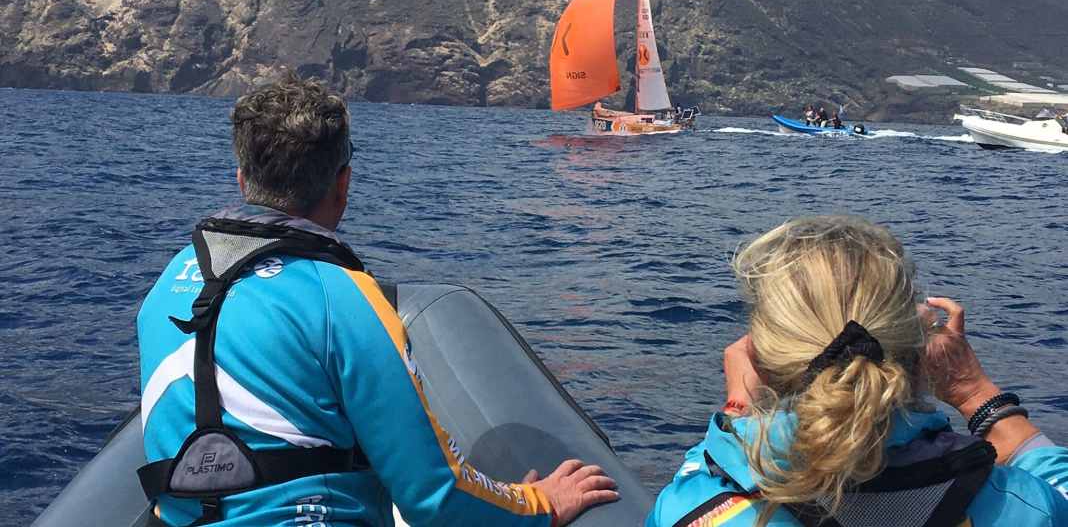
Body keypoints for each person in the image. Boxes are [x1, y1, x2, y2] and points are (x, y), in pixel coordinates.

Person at [136, 75, 618, 526]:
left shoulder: (169, 285)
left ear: (242, 179)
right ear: (343, 184)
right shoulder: (341, 298)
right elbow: (433, 496)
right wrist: (540, 505)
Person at [646, 216, 1068, 527]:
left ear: (760, 359)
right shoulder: (1022, 506)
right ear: (919, 352)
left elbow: (698, 485)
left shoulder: (697, 510)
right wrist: (976, 394)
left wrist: (740, 409)